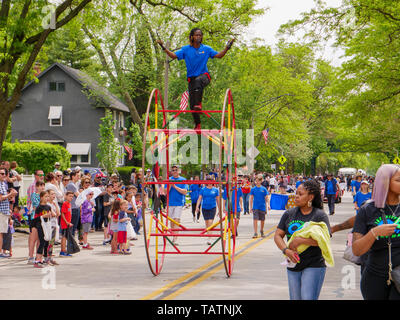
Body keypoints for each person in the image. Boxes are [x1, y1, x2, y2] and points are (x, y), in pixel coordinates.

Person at [157, 28, 235, 131]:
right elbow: (173, 55)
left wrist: (227, 47)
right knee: (192, 106)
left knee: (198, 82)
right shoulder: (186, 50)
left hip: (204, 76)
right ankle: (198, 124)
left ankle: (199, 104)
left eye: (200, 35)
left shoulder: (206, 49)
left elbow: (219, 56)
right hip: (191, 80)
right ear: (192, 37)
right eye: (196, 35)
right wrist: (163, 47)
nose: (199, 37)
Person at [274, 180, 331, 300]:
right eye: (296, 193)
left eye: (300, 194)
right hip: (293, 264)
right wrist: (286, 250)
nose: (296, 196)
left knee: (307, 297)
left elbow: (325, 239)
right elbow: (278, 235)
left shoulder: (319, 216)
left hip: (314, 264)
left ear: (310, 197)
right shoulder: (289, 214)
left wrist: (301, 240)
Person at [352, 164, 400, 300]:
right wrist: (374, 233)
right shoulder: (367, 210)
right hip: (374, 277)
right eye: (399, 180)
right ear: (385, 182)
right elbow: (357, 250)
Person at [162, 165, 188, 245]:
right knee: (171, 221)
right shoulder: (169, 179)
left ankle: (175, 238)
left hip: (179, 202)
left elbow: (184, 191)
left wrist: (174, 186)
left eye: (176, 170)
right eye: (173, 170)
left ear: (179, 171)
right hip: (170, 202)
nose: (174, 171)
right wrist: (170, 185)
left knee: (176, 219)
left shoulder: (183, 180)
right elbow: (165, 192)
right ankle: (173, 234)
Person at [195, 177, 221, 245]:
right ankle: (209, 235)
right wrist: (197, 207)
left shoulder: (215, 190)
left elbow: (218, 200)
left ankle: (210, 238)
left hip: (212, 207)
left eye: (210, 181)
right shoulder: (203, 189)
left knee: (210, 222)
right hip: (204, 208)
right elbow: (200, 198)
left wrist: (219, 210)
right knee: (207, 223)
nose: (209, 182)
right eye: (208, 181)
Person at [32, 191, 54, 268]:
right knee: (42, 242)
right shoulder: (39, 208)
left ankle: (44, 259)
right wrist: (44, 216)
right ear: (41, 197)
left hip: (47, 226)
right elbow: (36, 218)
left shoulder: (48, 207)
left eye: (48, 196)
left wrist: (52, 214)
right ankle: (37, 260)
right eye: (45, 196)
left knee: (46, 242)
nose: (47, 198)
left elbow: (54, 214)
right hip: (40, 226)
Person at [0, 168, 18, 258]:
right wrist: (10, 194)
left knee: (3, 232)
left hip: (5, 211)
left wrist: (11, 195)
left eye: (4, 174)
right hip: (1, 211)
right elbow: (0, 198)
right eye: (1, 173)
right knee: (1, 232)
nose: (3, 175)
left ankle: (2, 251)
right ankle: (0, 252)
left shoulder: (4, 184)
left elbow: (5, 198)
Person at [27, 181, 45, 264]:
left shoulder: (44, 195)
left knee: (40, 239)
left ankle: (38, 256)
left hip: (42, 218)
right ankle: (30, 256)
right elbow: (37, 204)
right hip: (34, 218)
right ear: (37, 187)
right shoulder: (34, 194)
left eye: (43, 186)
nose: (42, 187)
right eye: (40, 186)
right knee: (33, 238)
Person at [249, 174, 270, 238]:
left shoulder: (264, 189)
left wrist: (268, 205)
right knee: (255, 219)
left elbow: (266, 197)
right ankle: (255, 233)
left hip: (262, 207)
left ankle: (261, 230)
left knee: (262, 220)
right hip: (255, 207)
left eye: (258, 181)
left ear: (261, 181)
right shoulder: (253, 189)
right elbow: (251, 198)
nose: (257, 182)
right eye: (256, 181)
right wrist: (250, 207)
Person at [66, 171, 81, 237]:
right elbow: (78, 195)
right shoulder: (71, 185)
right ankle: (71, 243)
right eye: (77, 176)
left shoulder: (73, 185)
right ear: (73, 176)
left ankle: (71, 242)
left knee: (74, 227)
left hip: (75, 207)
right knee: (72, 227)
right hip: (73, 208)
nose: (78, 177)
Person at [60, 191, 74, 257]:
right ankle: (63, 251)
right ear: (66, 196)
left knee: (66, 237)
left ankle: (64, 250)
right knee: (64, 237)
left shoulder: (69, 204)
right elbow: (62, 213)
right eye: (70, 196)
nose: (71, 198)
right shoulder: (65, 204)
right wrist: (66, 222)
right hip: (65, 224)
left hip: (68, 223)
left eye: (72, 196)